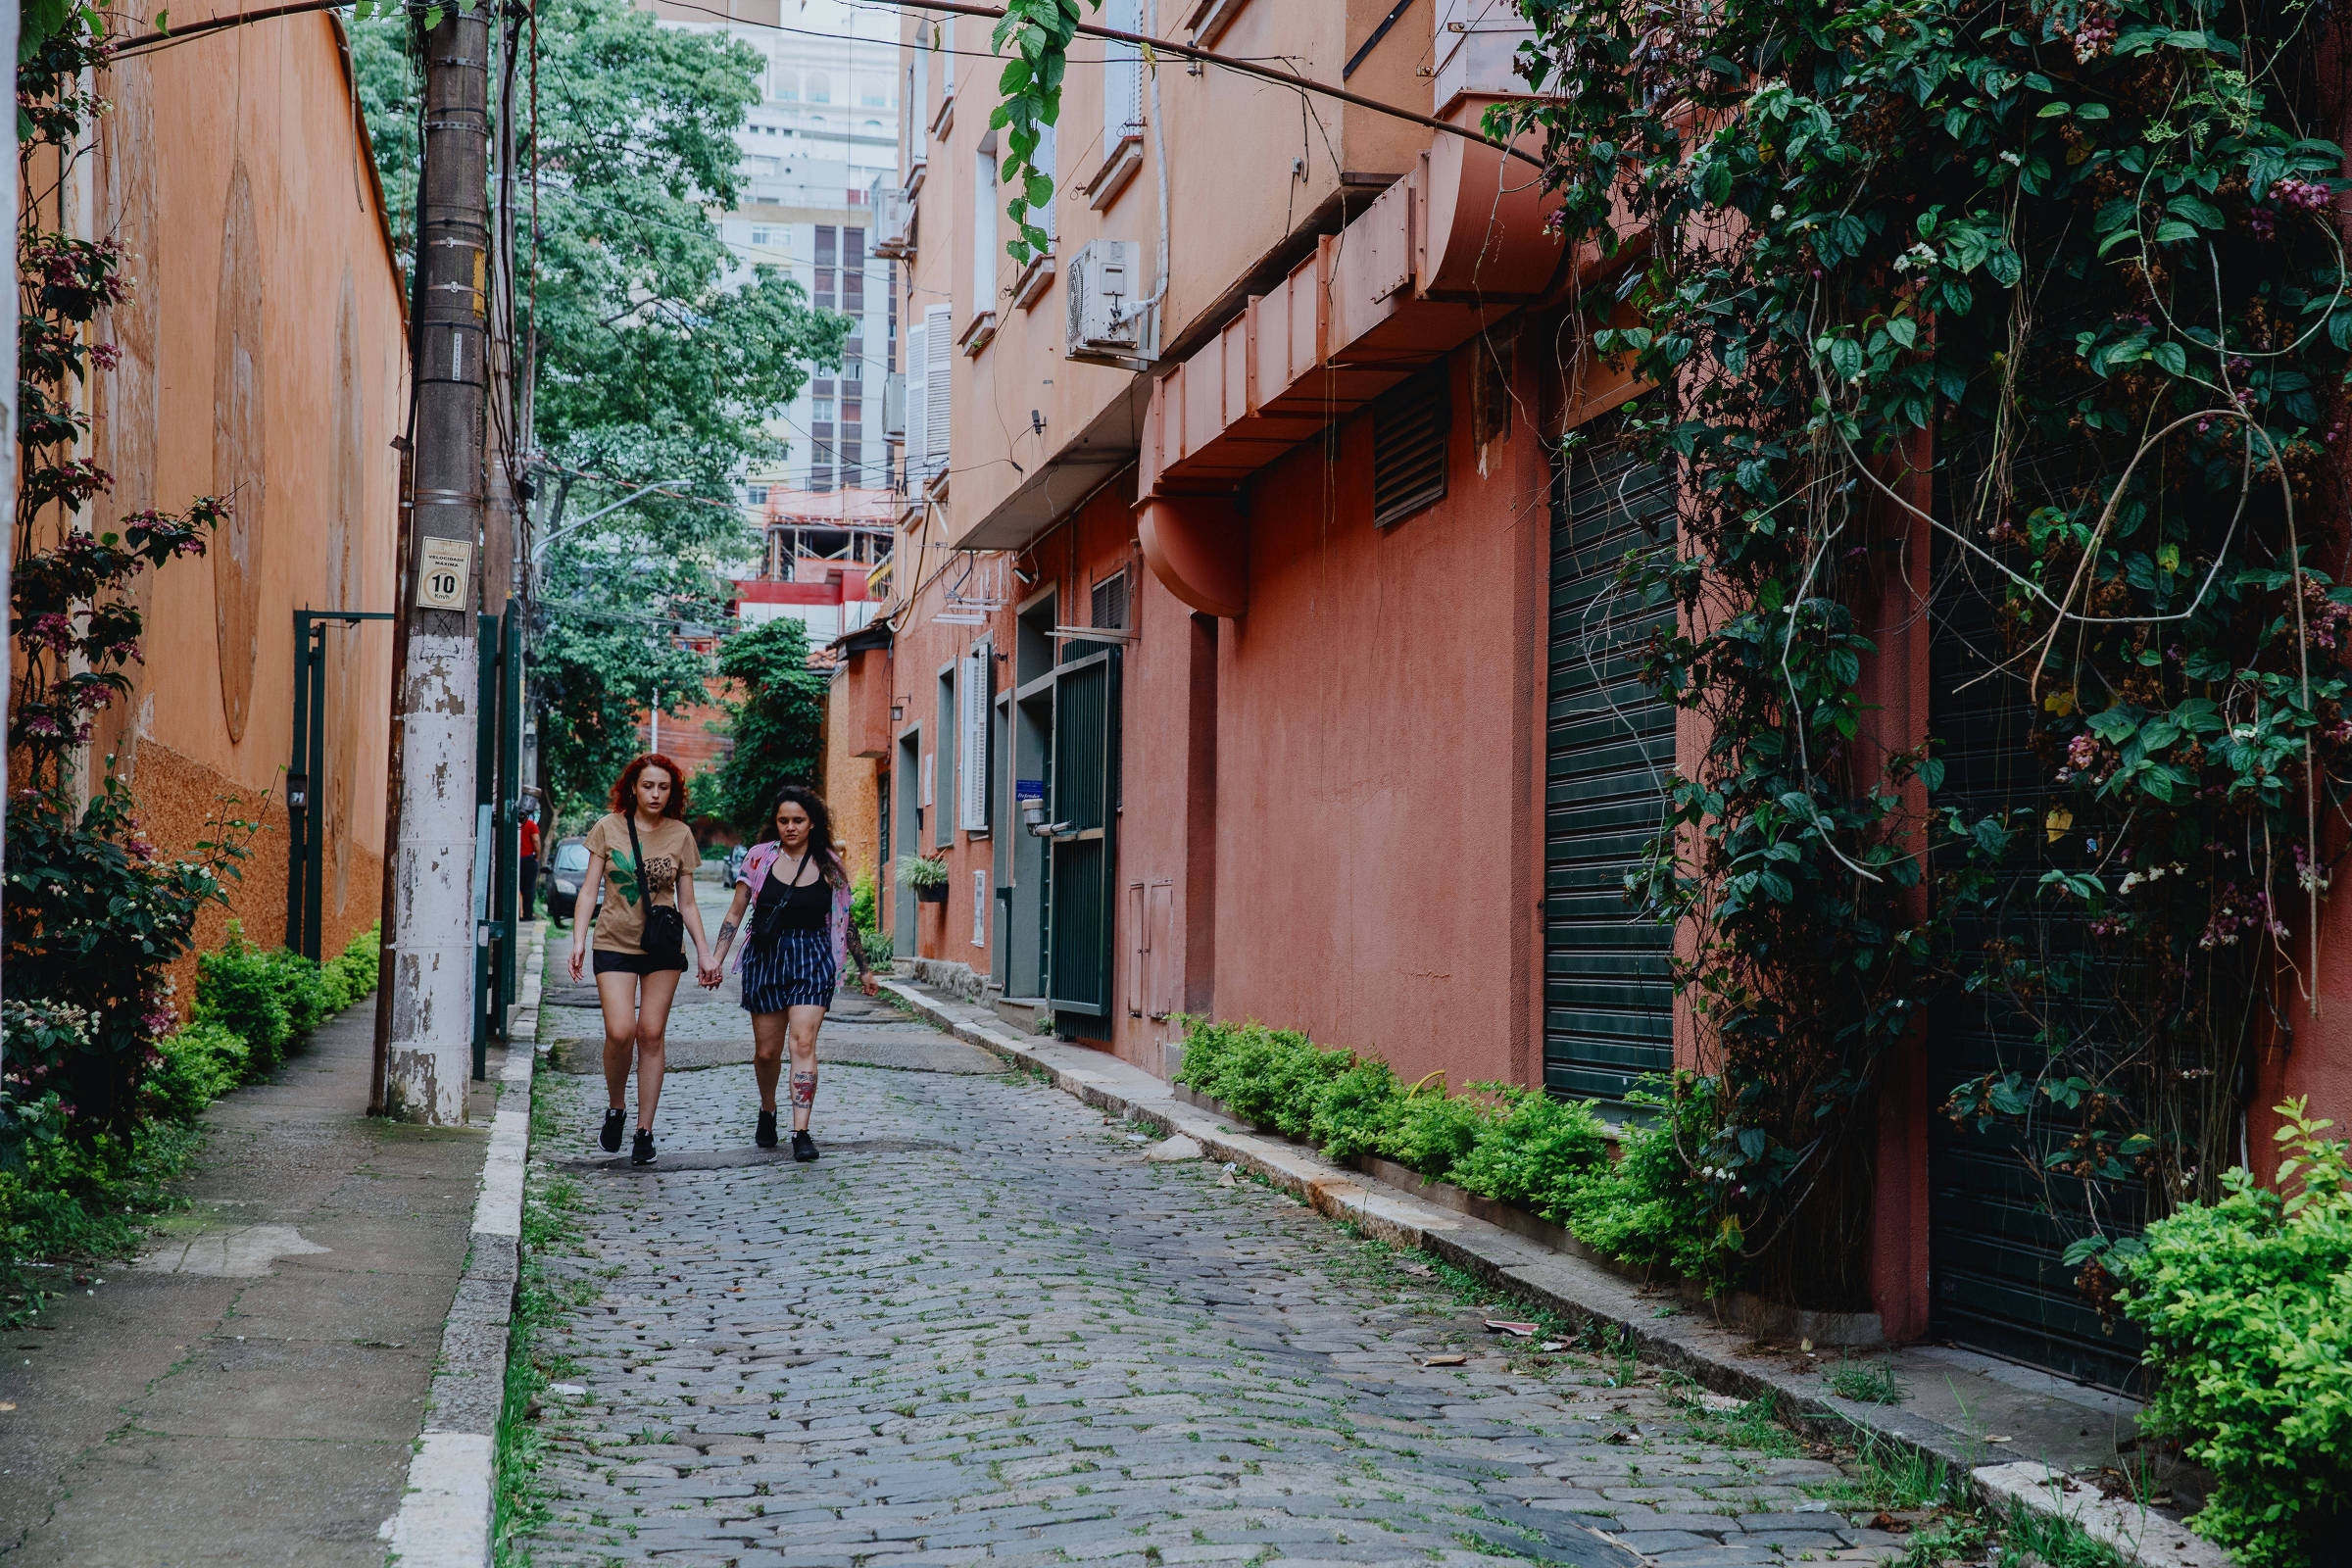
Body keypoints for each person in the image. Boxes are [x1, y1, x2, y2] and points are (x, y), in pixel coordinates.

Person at [705, 786, 873, 1160]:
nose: (791, 827)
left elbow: (845, 920)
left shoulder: (829, 864)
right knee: (767, 1052)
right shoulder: (758, 858)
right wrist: (715, 958)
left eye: (798, 820)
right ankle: (768, 1109)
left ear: (812, 822)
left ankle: (801, 1131)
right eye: (784, 820)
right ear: (775, 822)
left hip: (812, 956)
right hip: (765, 957)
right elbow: (735, 913)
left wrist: (864, 969)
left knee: (803, 1043)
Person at [567, 754, 714, 1165]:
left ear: (674, 791)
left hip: (662, 946)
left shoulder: (681, 834)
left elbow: (687, 902)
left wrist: (704, 951)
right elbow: (587, 891)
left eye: (664, 787)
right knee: (620, 1031)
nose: (655, 794)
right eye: (648, 786)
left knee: (651, 1034)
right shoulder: (608, 828)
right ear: (633, 787)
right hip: (613, 940)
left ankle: (644, 1131)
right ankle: (616, 1107)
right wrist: (579, 939)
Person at [517, 799, 541, 922]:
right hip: (528, 859)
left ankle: (518, 914)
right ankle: (527, 915)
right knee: (529, 889)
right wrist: (537, 856)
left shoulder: (516, 824)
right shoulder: (531, 825)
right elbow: (536, 841)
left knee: (518, 888)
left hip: (517, 860)